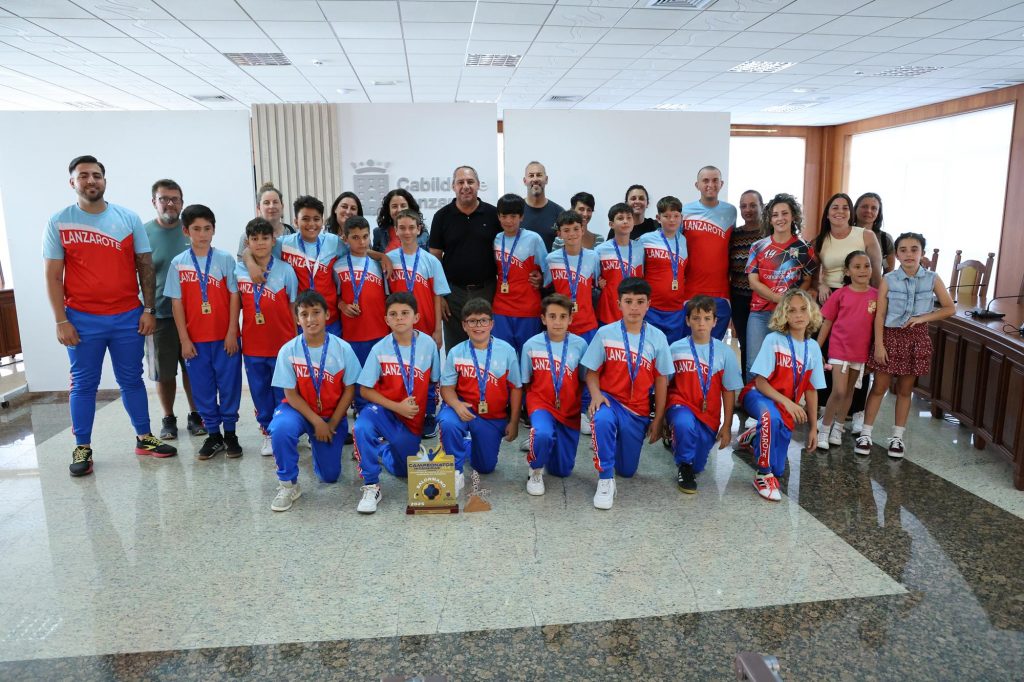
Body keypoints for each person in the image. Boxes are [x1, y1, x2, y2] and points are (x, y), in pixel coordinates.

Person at [44, 155, 176, 476]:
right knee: (83, 385)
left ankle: (144, 438)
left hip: (127, 316)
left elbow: (145, 265)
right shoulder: (59, 221)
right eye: (84, 176)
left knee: (131, 379)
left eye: (97, 175)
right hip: (81, 319)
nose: (91, 181)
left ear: (105, 180)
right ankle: (83, 446)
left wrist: (147, 309)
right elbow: (52, 276)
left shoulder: (127, 218)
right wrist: (61, 320)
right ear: (72, 182)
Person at [855, 233, 955, 459]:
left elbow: (949, 308)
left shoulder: (932, 278)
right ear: (897, 254)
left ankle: (897, 437)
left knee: (904, 390)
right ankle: (866, 433)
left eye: (914, 249)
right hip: (890, 337)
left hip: (915, 337)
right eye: (903, 250)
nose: (909, 254)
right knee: (879, 387)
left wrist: (923, 318)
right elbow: (880, 314)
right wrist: (879, 345)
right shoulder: (889, 279)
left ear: (922, 253)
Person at [583, 277, 672, 510]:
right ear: (618, 303)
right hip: (610, 401)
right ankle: (604, 480)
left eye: (640, 302)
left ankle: (614, 454)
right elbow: (591, 372)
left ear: (648, 304)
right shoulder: (605, 333)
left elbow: (662, 381)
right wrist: (595, 394)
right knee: (601, 419)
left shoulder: (658, 338)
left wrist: (659, 419)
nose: (634, 307)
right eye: (628, 301)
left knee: (627, 471)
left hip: (638, 410)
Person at [268, 290, 361, 512]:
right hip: (298, 410)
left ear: (327, 315)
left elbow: (349, 391)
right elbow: (290, 394)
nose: (311, 319)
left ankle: (318, 448)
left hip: (332, 414)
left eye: (316, 312)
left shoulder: (342, 348)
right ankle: (288, 484)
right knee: (281, 428)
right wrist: (316, 422)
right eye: (304, 314)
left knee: (329, 477)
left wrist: (331, 423)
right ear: (297, 319)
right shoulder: (288, 350)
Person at [165, 204, 243, 459]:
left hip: (224, 339)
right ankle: (213, 435)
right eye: (196, 229)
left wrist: (232, 331)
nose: (202, 234)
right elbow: (176, 303)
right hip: (195, 341)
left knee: (230, 386)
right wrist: (184, 340)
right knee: (202, 389)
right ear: (186, 231)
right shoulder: (178, 264)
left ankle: (230, 434)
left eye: (207, 228)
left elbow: (234, 295)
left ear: (214, 230)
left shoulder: (225, 259)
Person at [353, 292, 441, 514]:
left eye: (405, 313)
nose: (399, 318)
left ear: (416, 317)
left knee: (404, 471)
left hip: (411, 421)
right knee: (362, 426)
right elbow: (364, 389)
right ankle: (371, 485)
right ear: (386, 320)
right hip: (385, 411)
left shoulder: (428, 345)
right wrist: (396, 406)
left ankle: (382, 450)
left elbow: (435, 381)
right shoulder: (380, 348)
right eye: (393, 314)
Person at [736, 289, 826, 502]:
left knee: (778, 468)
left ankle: (754, 437)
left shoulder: (813, 348)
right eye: (792, 310)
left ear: (811, 312)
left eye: (803, 309)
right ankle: (761, 475)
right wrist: (787, 402)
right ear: (784, 315)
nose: (798, 315)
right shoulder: (774, 340)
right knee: (770, 418)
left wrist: (813, 428)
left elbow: (812, 390)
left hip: (785, 407)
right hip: (759, 394)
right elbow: (760, 381)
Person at [813, 192, 883, 428]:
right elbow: (817, 270)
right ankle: (826, 408)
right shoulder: (822, 238)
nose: (840, 212)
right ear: (828, 212)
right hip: (831, 298)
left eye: (845, 207)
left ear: (850, 212)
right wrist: (821, 283)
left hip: (862, 298)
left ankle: (855, 411)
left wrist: (875, 304)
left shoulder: (865, 234)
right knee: (830, 356)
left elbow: (876, 271)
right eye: (835, 207)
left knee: (859, 353)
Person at [437, 299, 522, 489]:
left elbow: (516, 388)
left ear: (491, 323)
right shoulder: (456, 352)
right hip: (462, 409)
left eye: (483, 320)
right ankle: (455, 470)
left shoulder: (507, 351)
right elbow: (447, 388)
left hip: (492, 416)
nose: (478, 326)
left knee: (485, 467)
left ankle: (467, 443)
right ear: (464, 325)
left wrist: (514, 421)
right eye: (472, 321)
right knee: (448, 423)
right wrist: (457, 405)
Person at [144, 178, 204, 439]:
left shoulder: (191, 231)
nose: (169, 203)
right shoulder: (143, 233)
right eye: (163, 199)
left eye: (174, 199)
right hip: (159, 317)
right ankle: (168, 418)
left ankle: (196, 414)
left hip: (194, 317)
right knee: (164, 372)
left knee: (193, 368)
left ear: (182, 201)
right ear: (154, 202)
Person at [667, 296, 743, 494]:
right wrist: (660, 417)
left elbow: (728, 391)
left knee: (699, 466)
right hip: (680, 404)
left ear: (715, 322)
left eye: (707, 318)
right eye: (696, 318)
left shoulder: (724, 353)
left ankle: (684, 448)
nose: (701, 323)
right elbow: (664, 384)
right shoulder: (675, 349)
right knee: (684, 425)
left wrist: (726, 426)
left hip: (708, 413)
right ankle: (682, 464)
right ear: (687, 320)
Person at [236, 217, 298, 457]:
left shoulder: (286, 270)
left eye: (265, 238)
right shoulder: (239, 271)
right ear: (248, 242)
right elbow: (236, 305)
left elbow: (293, 307)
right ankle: (268, 433)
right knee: (260, 391)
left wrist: (294, 341)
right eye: (254, 239)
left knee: (283, 392)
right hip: (253, 345)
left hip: (282, 344)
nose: (260, 243)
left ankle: (286, 431)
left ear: (274, 240)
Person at [744, 193, 817, 380]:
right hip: (760, 313)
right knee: (754, 363)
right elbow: (753, 281)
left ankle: (778, 405)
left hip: (789, 315)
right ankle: (752, 404)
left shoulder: (804, 248)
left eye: (784, 213)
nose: (780, 218)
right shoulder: (758, 246)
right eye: (775, 214)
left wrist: (790, 303)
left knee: (782, 364)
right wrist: (780, 299)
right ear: (769, 218)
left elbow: (808, 278)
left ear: (793, 216)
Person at [522, 294, 589, 495]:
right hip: (541, 403)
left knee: (562, 471)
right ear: (543, 319)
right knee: (542, 432)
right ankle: (535, 469)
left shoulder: (580, 345)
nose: (557, 322)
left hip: (569, 408)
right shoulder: (531, 345)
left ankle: (543, 443)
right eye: (552, 316)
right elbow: (526, 382)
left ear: (571, 319)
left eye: (562, 317)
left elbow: (584, 379)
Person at [428, 165, 500, 349]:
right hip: (453, 294)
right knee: (456, 348)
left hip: (487, 291)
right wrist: (440, 296)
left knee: (486, 345)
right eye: (460, 182)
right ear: (453, 186)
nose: (465, 186)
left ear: (478, 185)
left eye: (470, 181)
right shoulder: (442, 216)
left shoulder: (493, 215)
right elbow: (434, 258)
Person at [815, 251, 877, 451]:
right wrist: (817, 347)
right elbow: (827, 322)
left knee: (850, 391)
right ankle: (824, 428)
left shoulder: (876, 296)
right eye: (857, 266)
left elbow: (878, 326)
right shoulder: (840, 294)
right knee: (839, 391)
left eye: (866, 266)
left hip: (860, 353)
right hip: (839, 349)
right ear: (847, 271)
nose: (862, 270)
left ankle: (838, 428)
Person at [547, 210, 600, 435]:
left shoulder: (593, 257)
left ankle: (587, 412)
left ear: (583, 229)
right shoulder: (551, 259)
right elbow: (545, 284)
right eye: (566, 230)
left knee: (587, 371)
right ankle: (565, 410)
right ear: (559, 233)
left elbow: (598, 283)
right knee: (563, 372)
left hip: (588, 324)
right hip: (562, 328)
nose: (571, 234)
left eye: (575, 229)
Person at [270, 195, 342, 336]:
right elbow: (256, 251)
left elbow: (358, 251)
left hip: (330, 318)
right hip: (300, 319)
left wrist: (382, 257)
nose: (311, 224)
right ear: (295, 221)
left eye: (316, 219)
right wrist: (249, 261)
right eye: (305, 219)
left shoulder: (334, 242)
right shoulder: (283, 244)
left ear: (322, 221)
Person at [682, 166, 737, 339]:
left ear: (721, 184)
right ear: (697, 184)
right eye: (705, 180)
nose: (710, 184)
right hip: (690, 290)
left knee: (714, 346)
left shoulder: (730, 211)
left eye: (715, 180)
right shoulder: (684, 211)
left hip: (720, 292)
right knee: (688, 345)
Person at [491, 193, 549, 353]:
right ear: (498, 217)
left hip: (528, 308)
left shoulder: (533, 239)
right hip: (501, 308)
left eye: (513, 216)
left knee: (528, 357)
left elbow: (547, 270)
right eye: (504, 216)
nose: (508, 221)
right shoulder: (496, 239)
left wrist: (541, 279)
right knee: (502, 356)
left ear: (522, 217)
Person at [639, 196, 688, 345]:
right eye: (666, 216)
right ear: (658, 218)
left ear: (681, 217)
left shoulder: (684, 241)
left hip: (676, 309)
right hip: (651, 308)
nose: (672, 220)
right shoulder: (645, 239)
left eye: (675, 216)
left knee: (672, 354)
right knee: (651, 350)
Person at [730, 190, 764, 382]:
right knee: (746, 345)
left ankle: (770, 390)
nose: (748, 210)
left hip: (767, 301)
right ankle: (748, 390)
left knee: (768, 346)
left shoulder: (770, 234)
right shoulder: (734, 235)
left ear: (762, 206)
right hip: (740, 300)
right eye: (743, 206)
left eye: (753, 205)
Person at [595, 202, 643, 325]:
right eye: (620, 218)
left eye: (629, 218)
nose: (625, 221)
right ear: (611, 224)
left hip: (633, 307)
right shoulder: (600, 250)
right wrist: (598, 282)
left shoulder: (640, 248)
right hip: (608, 308)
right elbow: (594, 278)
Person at [236, 182, 295, 258]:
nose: (272, 206)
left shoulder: (292, 232)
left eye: (275, 202)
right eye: (266, 203)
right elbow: (242, 267)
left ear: (282, 206)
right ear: (258, 208)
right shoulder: (247, 237)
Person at [521, 161, 564, 251]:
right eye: (531, 175)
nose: (535, 179)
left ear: (546, 179)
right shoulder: (515, 211)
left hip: (550, 265)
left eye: (539, 175)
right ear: (525, 181)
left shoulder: (559, 213)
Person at [373, 188, 429, 254]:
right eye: (394, 206)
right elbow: (375, 260)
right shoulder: (379, 233)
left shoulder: (423, 233)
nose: (399, 210)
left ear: (410, 208)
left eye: (403, 206)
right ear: (388, 210)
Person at [852, 193, 895, 272]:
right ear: (855, 209)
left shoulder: (885, 239)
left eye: (874, 208)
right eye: (864, 206)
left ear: (878, 213)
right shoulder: (844, 233)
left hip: (874, 284)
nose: (868, 211)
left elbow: (888, 274)